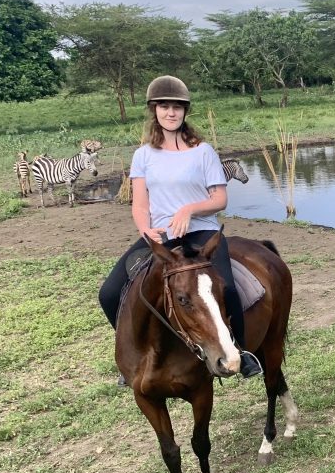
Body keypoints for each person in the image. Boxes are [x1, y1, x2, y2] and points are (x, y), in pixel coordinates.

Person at [98, 75, 262, 380]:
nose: (170, 113)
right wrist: (145, 228)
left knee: (226, 287)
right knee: (109, 293)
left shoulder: (203, 152)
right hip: (161, 237)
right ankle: (134, 351)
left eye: (177, 107)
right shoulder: (143, 155)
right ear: (154, 110)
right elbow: (139, 203)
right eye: (164, 106)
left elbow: (220, 198)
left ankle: (241, 350)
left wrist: (189, 208)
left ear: (185, 111)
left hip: (202, 233)